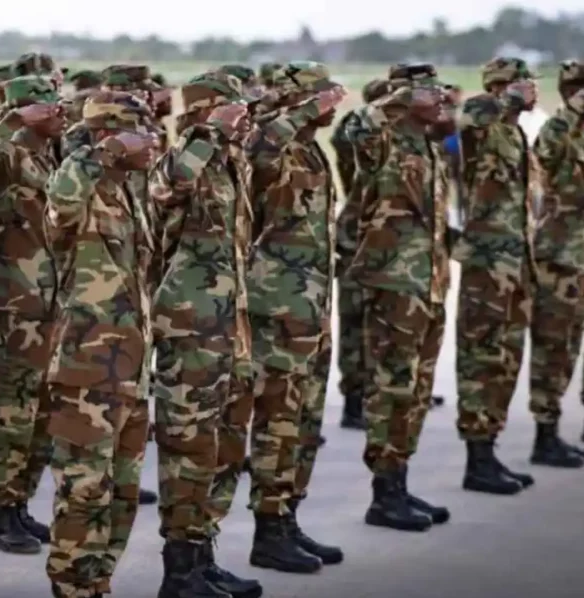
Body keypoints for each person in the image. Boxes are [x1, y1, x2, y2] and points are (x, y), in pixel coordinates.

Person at [149, 71, 260, 598]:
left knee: (226, 442)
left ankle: (202, 551)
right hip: (191, 328)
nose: (245, 115)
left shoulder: (231, 164)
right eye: (234, 108)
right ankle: (179, 571)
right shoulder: (184, 159)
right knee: (188, 445)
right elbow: (165, 186)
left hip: (230, 324)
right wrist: (209, 131)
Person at [44, 91, 155, 598]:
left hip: (131, 365)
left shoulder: (125, 190)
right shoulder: (79, 185)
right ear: (111, 137)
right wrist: (101, 151)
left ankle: (97, 581)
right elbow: (62, 201)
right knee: (84, 488)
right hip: (88, 366)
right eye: (139, 131)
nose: (151, 140)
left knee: (123, 490)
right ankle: (71, 586)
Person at [245, 62, 345, 575]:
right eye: (320, 96)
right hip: (280, 307)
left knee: (305, 419)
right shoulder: (272, 141)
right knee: (278, 420)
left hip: (312, 306)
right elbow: (257, 152)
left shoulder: (309, 149)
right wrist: (302, 110)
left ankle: (287, 516)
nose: (332, 103)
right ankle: (267, 529)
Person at [347, 80, 455, 533]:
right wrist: (398, 98)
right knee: (391, 385)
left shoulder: (429, 146)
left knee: (417, 389)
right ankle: (384, 494)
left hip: (429, 282)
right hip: (395, 281)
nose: (442, 100)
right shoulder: (384, 141)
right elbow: (356, 126)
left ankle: (399, 480)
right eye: (431, 94)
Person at [0, 75, 64, 556]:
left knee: (42, 414)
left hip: (49, 303)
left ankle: (21, 502)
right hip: (13, 304)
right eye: (49, 107)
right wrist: (8, 121)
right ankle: (1, 513)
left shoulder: (49, 154)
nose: (60, 112)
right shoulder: (5, 152)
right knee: (11, 413)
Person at [455, 58, 540, 495]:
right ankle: (476, 458)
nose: (532, 89)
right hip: (487, 264)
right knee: (481, 357)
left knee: (506, 358)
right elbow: (470, 119)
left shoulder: (513, 132)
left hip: (515, 262)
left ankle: (490, 448)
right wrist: (509, 99)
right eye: (523, 83)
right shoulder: (483, 121)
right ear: (501, 86)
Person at [529, 61, 584, 466]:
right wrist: (573, 110)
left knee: (580, 344)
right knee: (554, 345)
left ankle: (582, 420)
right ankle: (545, 433)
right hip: (560, 258)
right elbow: (543, 155)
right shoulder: (558, 129)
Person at [330, 78, 391, 431]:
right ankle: (354, 401)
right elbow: (346, 140)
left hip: (386, 242)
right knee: (355, 324)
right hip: (357, 238)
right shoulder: (358, 127)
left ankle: (374, 395)